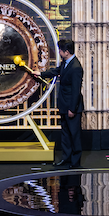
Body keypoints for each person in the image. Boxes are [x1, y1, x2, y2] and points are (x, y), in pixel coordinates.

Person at [42, 38, 85, 169]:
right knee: (65, 134)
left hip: (71, 107)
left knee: (74, 134)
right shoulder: (66, 63)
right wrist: (41, 74)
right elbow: (56, 71)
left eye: (60, 50)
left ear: (66, 52)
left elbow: (76, 90)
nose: (59, 52)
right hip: (64, 105)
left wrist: (72, 109)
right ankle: (66, 159)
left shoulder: (76, 67)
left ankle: (75, 162)